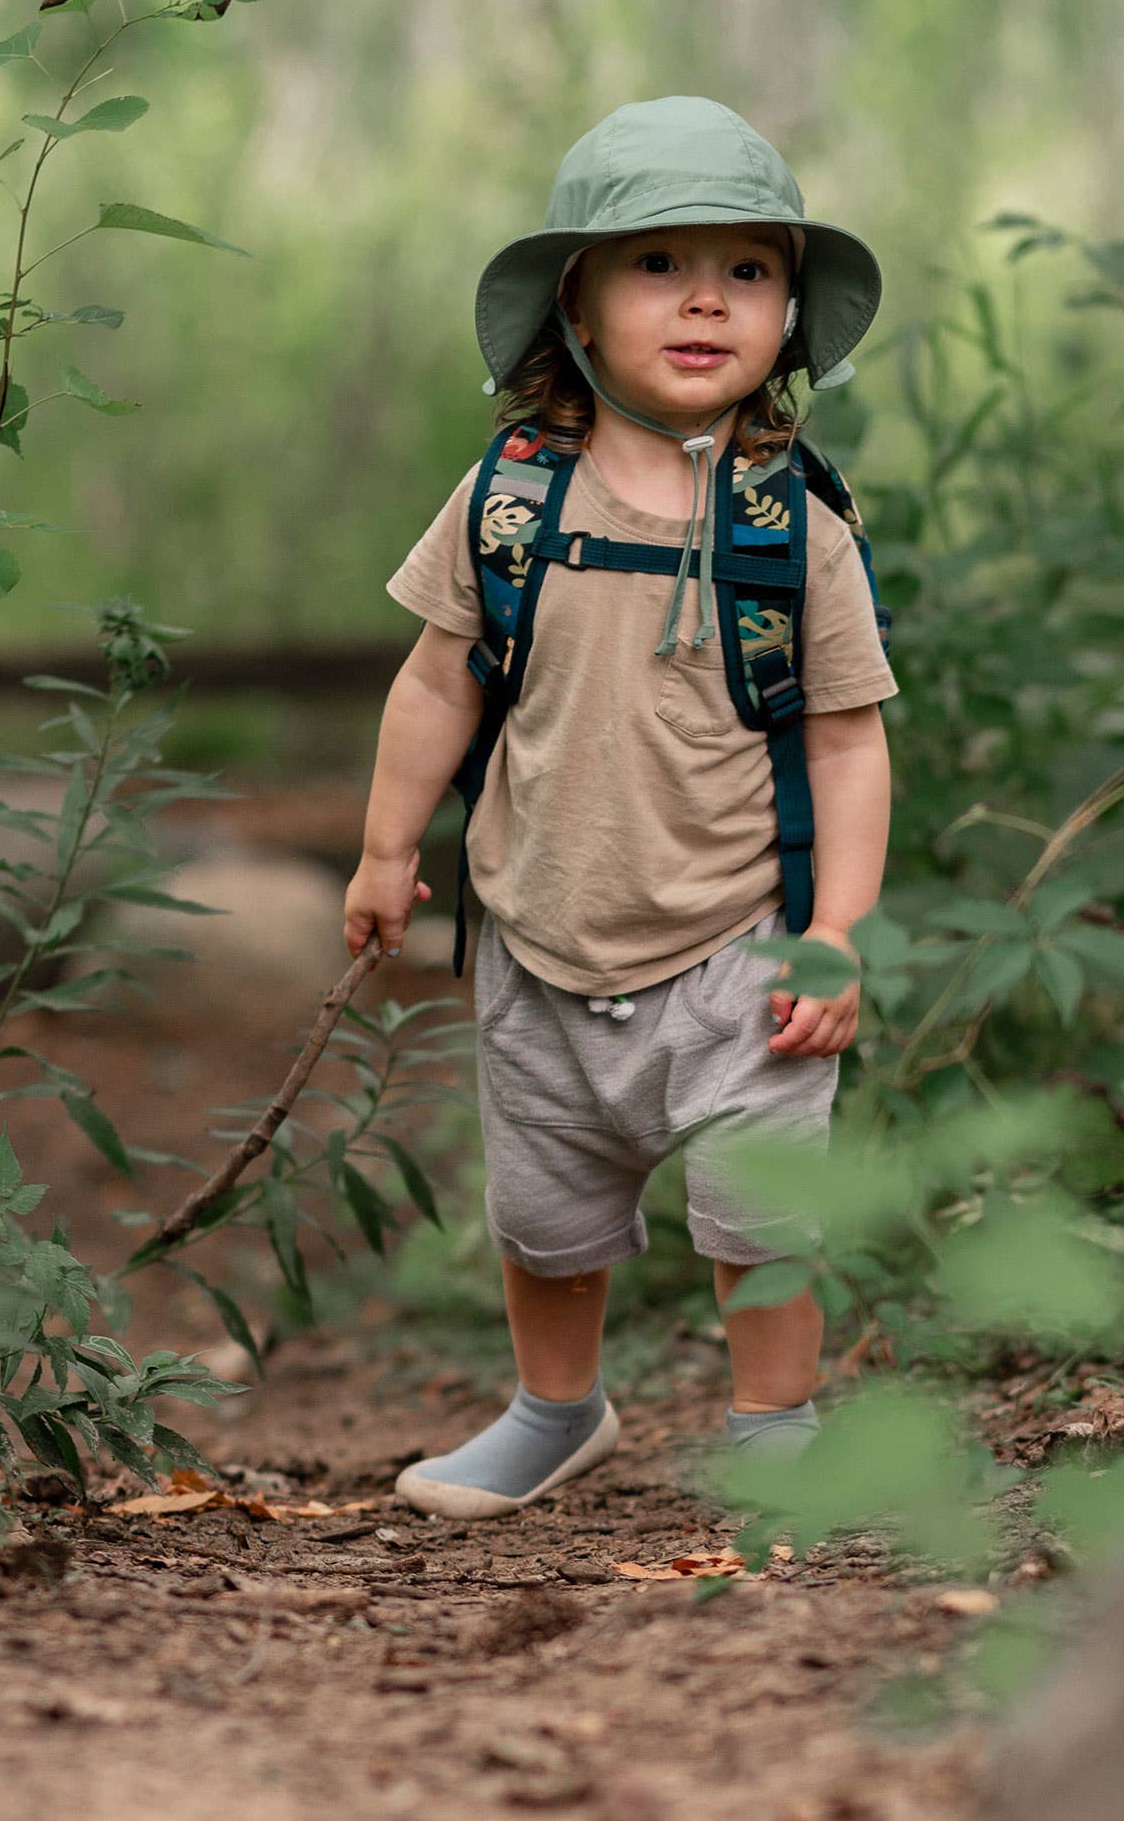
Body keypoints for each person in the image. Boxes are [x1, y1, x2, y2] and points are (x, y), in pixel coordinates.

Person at [341, 95, 896, 1520]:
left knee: (763, 1216)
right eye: (658, 263)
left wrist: (836, 926)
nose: (707, 296)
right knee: (547, 1217)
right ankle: (554, 1410)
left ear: (789, 315)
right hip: (540, 930)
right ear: (574, 303)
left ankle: (777, 1431)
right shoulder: (510, 498)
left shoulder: (795, 528)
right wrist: (389, 846)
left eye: (749, 270)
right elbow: (438, 680)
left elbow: (845, 745)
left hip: (740, 941)